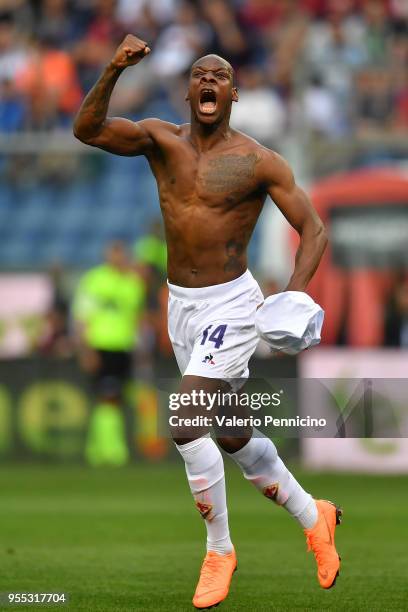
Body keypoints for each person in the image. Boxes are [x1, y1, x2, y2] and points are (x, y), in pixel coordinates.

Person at [73, 36, 341, 609]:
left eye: (220, 74)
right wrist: (115, 67)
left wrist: (291, 297)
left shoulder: (258, 161)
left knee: (185, 414)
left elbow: (314, 229)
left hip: (234, 305)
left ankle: (219, 548)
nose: (209, 80)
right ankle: (312, 513)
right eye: (200, 73)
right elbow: (87, 129)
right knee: (228, 431)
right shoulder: (159, 141)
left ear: (234, 93)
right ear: (188, 90)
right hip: (182, 308)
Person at [73, 240, 145, 466]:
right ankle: (112, 450)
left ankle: (95, 449)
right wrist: (86, 350)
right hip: (101, 346)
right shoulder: (95, 280)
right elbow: (82, 317)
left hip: (123, 348)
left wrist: (140, 350)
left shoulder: (133, 283)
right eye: (113, 253)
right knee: (108, 397)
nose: (117, 258)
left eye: (121, 254)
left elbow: (136, 319)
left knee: (114, 398)